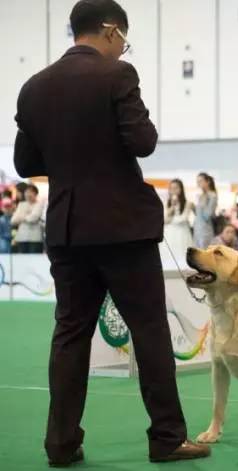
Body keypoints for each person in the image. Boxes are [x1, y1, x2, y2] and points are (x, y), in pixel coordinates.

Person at [12, 0, 209, 465]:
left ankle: (60, 444)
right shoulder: (118, 76)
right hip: (123, 228)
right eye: (123, 38)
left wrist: (68, 163)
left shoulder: (33, 87)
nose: (123, 48)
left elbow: (25, 164)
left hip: (67, 228)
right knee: (149, 330)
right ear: (108, 30)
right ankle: (166, 438)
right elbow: (143, 142)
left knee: (70, 336)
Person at [163, 179, 194, 265]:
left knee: (182, 256)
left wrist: (171, 220)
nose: (173, 190)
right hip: (169, 233)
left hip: (182, 232)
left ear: (181, 189)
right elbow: (165, 220)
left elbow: (183, 218)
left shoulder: (188, 203)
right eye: (171, 188)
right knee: (169, 257)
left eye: (176, 188)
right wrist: (172, 207)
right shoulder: (167, 203)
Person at [11, 183, 45, 253]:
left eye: (30, 192)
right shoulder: (21, 204)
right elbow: (13, 220)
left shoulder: (40, 204)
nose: (28, 194)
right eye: (26, 192)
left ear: (35, 193)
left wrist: (21, 217)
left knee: (35, 260)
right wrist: (27, 215)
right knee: (22, 261)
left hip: (35, 238)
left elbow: (33, 218)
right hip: (21, 238)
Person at [193, 172, 217, 249]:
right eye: (197, 181)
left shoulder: (212, 195)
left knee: (204, 253)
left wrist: (203, 203)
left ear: (208, 182)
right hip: (197, 228)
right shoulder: (201, 195)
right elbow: (198, 214)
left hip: (205, 230)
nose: (198, 184)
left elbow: (207, 215)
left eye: (201, 181)